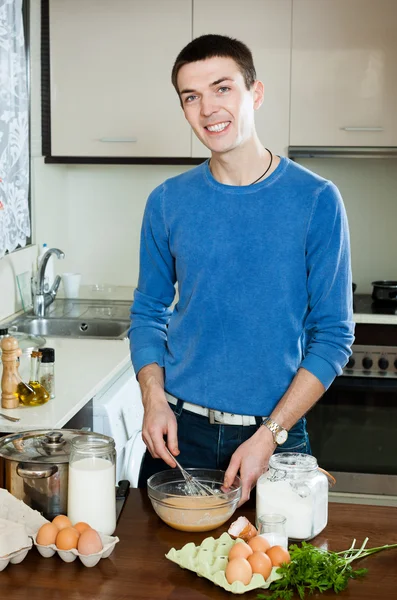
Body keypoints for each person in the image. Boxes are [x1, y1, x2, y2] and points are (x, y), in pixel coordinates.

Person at [129, 34, 354, 504]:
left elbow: (333, 335)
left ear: (255, 93)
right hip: (178, 438)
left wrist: (269, 435)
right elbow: (148, 311)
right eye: (192, 97)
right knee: (154, 576)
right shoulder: (168, 201)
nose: (208, 107)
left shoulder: (316, 200)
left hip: (273, 437)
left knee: (277, 574)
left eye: (222, 88)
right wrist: (153, 399)